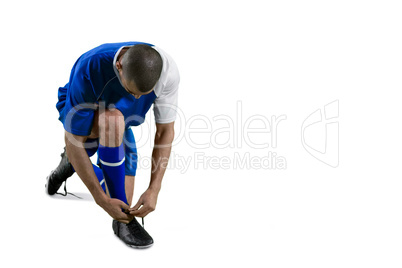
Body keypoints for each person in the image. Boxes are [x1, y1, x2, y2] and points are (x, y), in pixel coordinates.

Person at [45, 42, 180, 249]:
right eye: (131, 91)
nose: (136, 98)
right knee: (112, 121)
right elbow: (73, 141)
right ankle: (121, 222)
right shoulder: (90, 68)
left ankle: (69, 164)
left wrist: (154, 189)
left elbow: (164, 132)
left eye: (143, 95)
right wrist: (100, 200)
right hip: (89, 112)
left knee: (123, 200)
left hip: (120, 121)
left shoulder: (168, 73)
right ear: (119, 66)